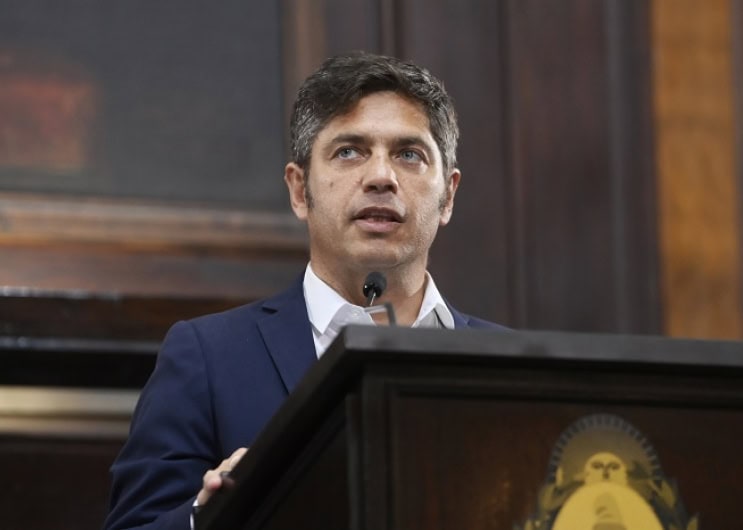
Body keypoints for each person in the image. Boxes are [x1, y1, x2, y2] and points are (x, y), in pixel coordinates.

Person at [104, 51, 506, 530]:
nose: (381, 177)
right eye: (349, 151)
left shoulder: (507, 365)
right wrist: (206, 517)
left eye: (409, 154)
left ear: (448, 196)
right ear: (299, 191)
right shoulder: (207, 357)